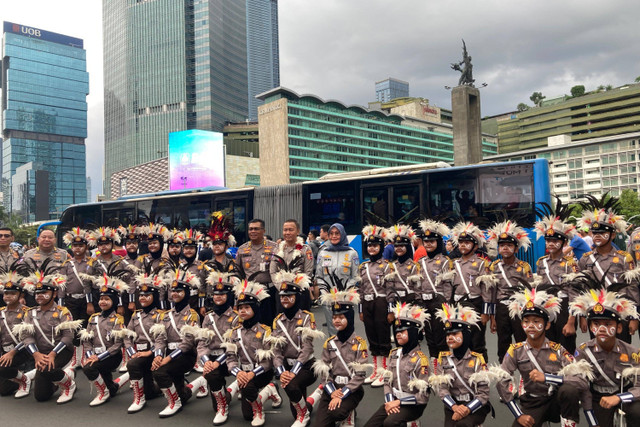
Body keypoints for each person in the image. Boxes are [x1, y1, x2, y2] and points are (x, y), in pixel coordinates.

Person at [494, 285, 582, 427]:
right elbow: (501, 380)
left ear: (547, 325)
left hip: (556, 400)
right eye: (526, 321)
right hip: (533, 402)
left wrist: (548, 378)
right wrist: (519, 415)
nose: (531, 326)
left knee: (569, 390)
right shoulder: (515, 350)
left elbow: (580, 380)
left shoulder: (558, 350)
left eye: (536, 321)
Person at [570, 275, 640, 427]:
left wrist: (620, 398)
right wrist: (589, 411)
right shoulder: (583, 351)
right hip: (598, 397)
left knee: (638, 412)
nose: (601, 329)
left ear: (619, 328)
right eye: (596, 323)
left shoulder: (632, 352)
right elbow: (580, 384)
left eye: (608, 324)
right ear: (590, 327)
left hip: (624, 394)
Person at [14, 263, 83, 403]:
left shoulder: (63, 312)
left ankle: (69, 384)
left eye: (44, 293)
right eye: (37, 293)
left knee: (47, 370)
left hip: (61, 351)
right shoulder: (30, 312)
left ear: (54, 294)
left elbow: (68, 337)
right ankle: (61, 376)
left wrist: (52, 355)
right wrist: (36, 355)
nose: (39, 296)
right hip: (40, 353)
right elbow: (26, 336)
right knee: (41, 396)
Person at [577, 194, 638, 343]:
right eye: (594, 233)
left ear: (612, 235)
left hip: (620, 312)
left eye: (602, 233)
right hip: (596, 313)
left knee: (622, 353)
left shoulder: (625, 258)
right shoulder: (586, 259)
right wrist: (582, 316)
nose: (597, 236)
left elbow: (633, 288)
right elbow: (581, 288)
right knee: (598, 352)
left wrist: (634, 317)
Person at [363, 303, 430, 427]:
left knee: (390, 423)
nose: (398, 333)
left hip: (413, 405)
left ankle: (412, 423)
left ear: (413, 333)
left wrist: (399, 402)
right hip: (393, 401)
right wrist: (390, 402)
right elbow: (387, 382)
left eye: (402, 331)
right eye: (397, 330)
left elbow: (423, 397)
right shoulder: (394, 354)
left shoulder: (421, 360)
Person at [226, 280, 282, 427]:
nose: (243, 311)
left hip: (261, 372)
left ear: (255, 309)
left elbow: (268, 361)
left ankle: (260, 409)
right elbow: (230, 358)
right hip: (243, 374)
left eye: (247, 307)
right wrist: (238, 373)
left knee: (248, 387)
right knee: (246, 416)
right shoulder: (234, 332)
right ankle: (269, 391)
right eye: (240, 308)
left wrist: (251, 374)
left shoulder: (265, 331)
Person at [271, 271, 323, 427]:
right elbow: (276, 351)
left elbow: (306, 349)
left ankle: (303, 415)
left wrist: (292, 373)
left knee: (291, 385)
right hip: (287, 367)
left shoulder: (307, 318)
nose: (285, 299)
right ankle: (317, 394)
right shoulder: (277, 321)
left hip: (306, 366)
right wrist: (282, 372)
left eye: (289, 296)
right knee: (294, 390)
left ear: (297, 297)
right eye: (282, 296)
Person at [313, 286, 368, 427]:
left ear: (349, 318)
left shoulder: (360, 344)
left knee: (337, 413)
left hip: (352, 389)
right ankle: (339, 409)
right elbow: (324, 371)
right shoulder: (330, 343)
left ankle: (349, 413)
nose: (337, 320)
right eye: (334, 317)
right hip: (333, 387)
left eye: (341, 317)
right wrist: (332, 393)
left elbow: (360, 375)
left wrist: (342, 394)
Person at [431, 302, 491, 427]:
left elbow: (483, 394)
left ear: (466, 335)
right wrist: (454, 407)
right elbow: (442, 389)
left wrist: (467, 409)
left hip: (475, 405)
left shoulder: (478, 360)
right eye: (448, 334)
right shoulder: (443, 359)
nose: (450, 338)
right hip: (453, 405)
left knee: (462, 425)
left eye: (455, 334)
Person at [151, 269, 200, 417]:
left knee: (159, 371)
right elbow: (160, 339)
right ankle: (197, 384)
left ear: (186, 293)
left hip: (185, 356)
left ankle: (174, 403)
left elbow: (187, 344)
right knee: (183, 395)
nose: (175, 294)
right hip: (169, 355)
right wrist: (158, 355)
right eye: (173, 291)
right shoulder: (165, 315)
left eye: (179, 291)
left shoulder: (192, 315)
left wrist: (166, 359)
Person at [534, 198, 580, 353]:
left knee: (566, 347)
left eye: (555, 241)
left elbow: (575, 295)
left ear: (564, 242)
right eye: (548, 241)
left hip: (564, 308)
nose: (551, 244)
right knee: (548, 348)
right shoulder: (541, 263)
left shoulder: (570, 264)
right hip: (547, 307)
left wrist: (572, 321)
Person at [440, 222, 492, 361]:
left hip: (475, 304)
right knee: (459, 340)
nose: (463, 245)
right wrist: (447, 308)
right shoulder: (453, 263)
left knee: (477, 342)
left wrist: (486, 313)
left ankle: (482, 371)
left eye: (467, 242)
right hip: (457, 306)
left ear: (475, 246)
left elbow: (486, 289)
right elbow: (448, 287)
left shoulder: (482, 263)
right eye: (461, 242)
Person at [485, 220, 533, 362]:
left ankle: (525, 367)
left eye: (509, 245)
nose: (505, 248)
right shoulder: (493, 267)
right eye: (502, 245)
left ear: (516, 249)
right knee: (503, 341)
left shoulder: (524, 266)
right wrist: (492, 317)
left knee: (522, 339)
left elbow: (530, 291)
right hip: (501, 308)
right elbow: (491, 293)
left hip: (519, 308)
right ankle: (505, 371)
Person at [195, 271, 239, 425]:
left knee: (248, 413)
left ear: (229, 296)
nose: (218, 297)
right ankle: (224, 402)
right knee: (212, 375)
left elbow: (234, 346)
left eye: (222, 294)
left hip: (232, 359)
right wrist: (206, 361)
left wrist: (215, 363)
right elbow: (202, 343)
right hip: (212, 359)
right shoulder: (208, 317)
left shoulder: (236, 317)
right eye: (215, 294)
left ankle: (231, 394)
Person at [79, 274, 127, 406]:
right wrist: (90, 356)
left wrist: (98, 358)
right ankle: (112, 387)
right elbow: (87, 340)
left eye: (107, 299)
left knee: (89, 368)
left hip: (111, 356)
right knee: (109, 387)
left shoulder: (118, 319)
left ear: (114, 302)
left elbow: (118, 345)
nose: (103, 302)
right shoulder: (93, 318)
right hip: (96, 355)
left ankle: (102, 393)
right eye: (101, 299)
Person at [122, 272, 165, 413]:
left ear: (154, 297)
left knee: (133, 365)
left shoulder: (160, 315)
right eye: (141, 295)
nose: (143, 298)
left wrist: (150, 352)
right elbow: (127, 336)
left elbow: (161, 339)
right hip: (139, 353)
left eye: (147, 295)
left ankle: (139, 398)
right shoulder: (136, 315)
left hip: (155, 353)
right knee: (150, 393)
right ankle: (142, 395)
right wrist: (131, 352)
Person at [358, 225, 391, 387]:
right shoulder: (363, 267)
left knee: (383, 337)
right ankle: (376, 371)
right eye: (369, 246)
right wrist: (360, 309)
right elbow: (360, 290)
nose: (372, 248)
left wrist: (391, 310)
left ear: (381, 247)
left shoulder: (386, 266)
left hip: (381, 302)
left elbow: (390, 290)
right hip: (367, 303)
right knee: (371, 336)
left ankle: (384, 372)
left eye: (375, 245)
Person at [59, 227, 97, 369]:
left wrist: (90, 303)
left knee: (86, 328)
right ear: (71, 247)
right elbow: (62, 285)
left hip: (86, 301)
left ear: (86, 247)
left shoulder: (92, 262)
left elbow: (91, 285)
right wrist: (61, 306)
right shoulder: (67, 264)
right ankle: (76, 358)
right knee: (72, 328)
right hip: (70, 301)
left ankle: (86, 355)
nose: (78, 248)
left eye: (81, 245)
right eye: (75, 246)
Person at [314, 223, 359, 336]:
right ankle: (333, 352)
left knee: (347, 328)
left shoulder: (352, 253)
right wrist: (326, 294)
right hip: (329, 298)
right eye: (331, 234)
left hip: (346, 298)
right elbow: (319, 276)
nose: (334, 236)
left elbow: (355, 276)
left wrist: (344, 293)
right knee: (333, 330)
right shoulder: (323, 253)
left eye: (337, 233)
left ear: (342, 234)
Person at [416, 219, 451, 360]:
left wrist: (446, 305)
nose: (429, 244)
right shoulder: (420, 262)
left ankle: (445, 370)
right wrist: (418, 301)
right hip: (424, 304)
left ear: (438, 243)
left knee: (441, 337)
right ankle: (435, 370)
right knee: (429, 337)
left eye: (432, 241)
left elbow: (448, 285)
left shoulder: (444, 261)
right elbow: (417, 283)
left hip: (439, 303)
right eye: (426, 241)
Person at [234, 219, 278, 327]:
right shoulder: (242, 249)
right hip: (250, 293)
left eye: (256, 229)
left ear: (263, 231)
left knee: (269, 323)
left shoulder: (274, 247)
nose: (253, 231)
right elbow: (238, 271)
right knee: (251, 324)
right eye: (250, 229)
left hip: (269, 291)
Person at [0, 268, 34, 398]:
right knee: (4, 390)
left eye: (12, 293)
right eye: (6, 293)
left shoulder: (27, 312)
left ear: (20, 296)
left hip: (23, 350)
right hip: (5, 351)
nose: (8, 296)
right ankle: (25, 376)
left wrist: (12, 352)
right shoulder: (1, 312)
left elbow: (28, 338)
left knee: (3, 369)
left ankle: (25, 380)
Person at [270, 219, 314, 311]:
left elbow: (308, 272)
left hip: (300, 292)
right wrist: (280, 286)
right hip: (281, 292)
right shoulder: (277, 249)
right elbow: (273, 271)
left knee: (301, 322)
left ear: (298, 231)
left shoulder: (305, 249)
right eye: (285, 230)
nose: (287, 232)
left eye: (291, 230)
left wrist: (294, 288)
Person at [201, 212, 238, 315]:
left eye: (220, 244)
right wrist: (202, 305)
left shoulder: (233, 264)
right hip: (211, 303)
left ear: (226, 247)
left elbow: (237, 287)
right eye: (215, 244)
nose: (217, 246)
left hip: (229, 303)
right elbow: (202, 287)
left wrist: (236, 304)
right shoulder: (207, 265)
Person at [135, 223, 171, 309]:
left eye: (155, 243)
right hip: (146, 299)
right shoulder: (143, 260)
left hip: (162, 300)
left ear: (161, 244)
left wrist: (163, 305)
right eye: (150, 243)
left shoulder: (166, 262)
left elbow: (167, 285)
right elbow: (136, 279)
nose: (152, 246)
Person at [384, 224, 420, 309]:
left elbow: (418, 289)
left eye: (402, 246)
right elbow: (389, 288)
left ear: (407, 247)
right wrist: (390, 306)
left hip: (410, 304)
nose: (398, 248)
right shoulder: (391, 266)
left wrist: (417, 305)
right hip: (396, 304)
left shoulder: (414, 266)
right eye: (396, 246)